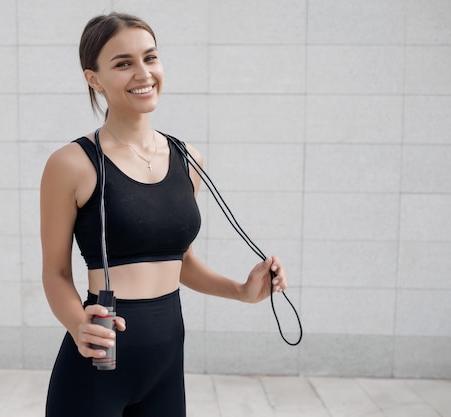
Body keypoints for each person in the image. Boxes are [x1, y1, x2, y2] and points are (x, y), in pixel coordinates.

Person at [40, 12, 288, 417]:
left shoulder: (187, 159)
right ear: (94, 79)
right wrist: (76, 324)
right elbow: (55, 273)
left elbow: (180, 261)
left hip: (167, 365)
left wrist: (242, 290)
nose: (143, 73)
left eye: (150, 58)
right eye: (123, 63)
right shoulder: (71, 163)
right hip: (98, 363)